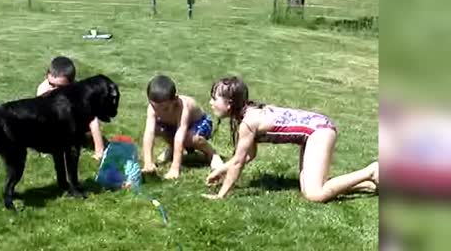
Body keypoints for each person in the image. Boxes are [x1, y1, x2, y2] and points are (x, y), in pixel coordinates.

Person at [202, 76, 378, 202]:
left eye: (214, 98)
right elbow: (249, 155)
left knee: (314, 194)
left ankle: (370, 171)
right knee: (308, 186)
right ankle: (369, 184)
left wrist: (221, 195)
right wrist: (221, 170)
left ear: (229, 103)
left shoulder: (248, 123)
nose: (210, 102)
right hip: (314, 130)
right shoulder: (248, 113)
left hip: (319, 132)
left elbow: (238, 163)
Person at [141, 75, 223, 179]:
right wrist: (148, 163)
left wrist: (175, 168)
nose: (159, 111)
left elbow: (180, 137)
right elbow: (149, 133)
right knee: (157, 128)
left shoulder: (183, 107)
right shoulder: (153, 108)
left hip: (200, 124)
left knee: (188, 138)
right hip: (175, 127)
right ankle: (172, 148)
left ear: (174, 100)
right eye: (154, 106)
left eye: (165, 108)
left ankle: (212, 154)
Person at [36, 56, 105, 160]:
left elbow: (93, 121)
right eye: (52, 84)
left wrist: (99, 151)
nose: (54, 90)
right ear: (46, 77)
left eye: (60, 87)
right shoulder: (43, 90)